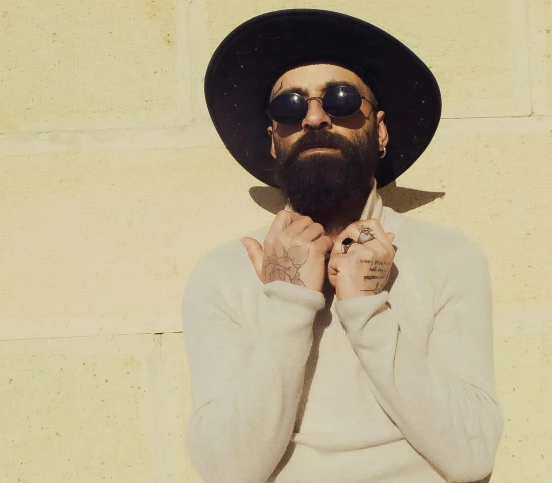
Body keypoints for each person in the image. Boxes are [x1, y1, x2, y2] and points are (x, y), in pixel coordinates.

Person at [183, 9, 504, 483]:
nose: (315, 117)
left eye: (341, 98)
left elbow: (472, 455)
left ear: (381, 130)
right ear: (274, 140)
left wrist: (369, 308)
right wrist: (289, 300)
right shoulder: (224, 272)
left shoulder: (448, 258)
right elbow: (227, 470)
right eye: (289, 107)